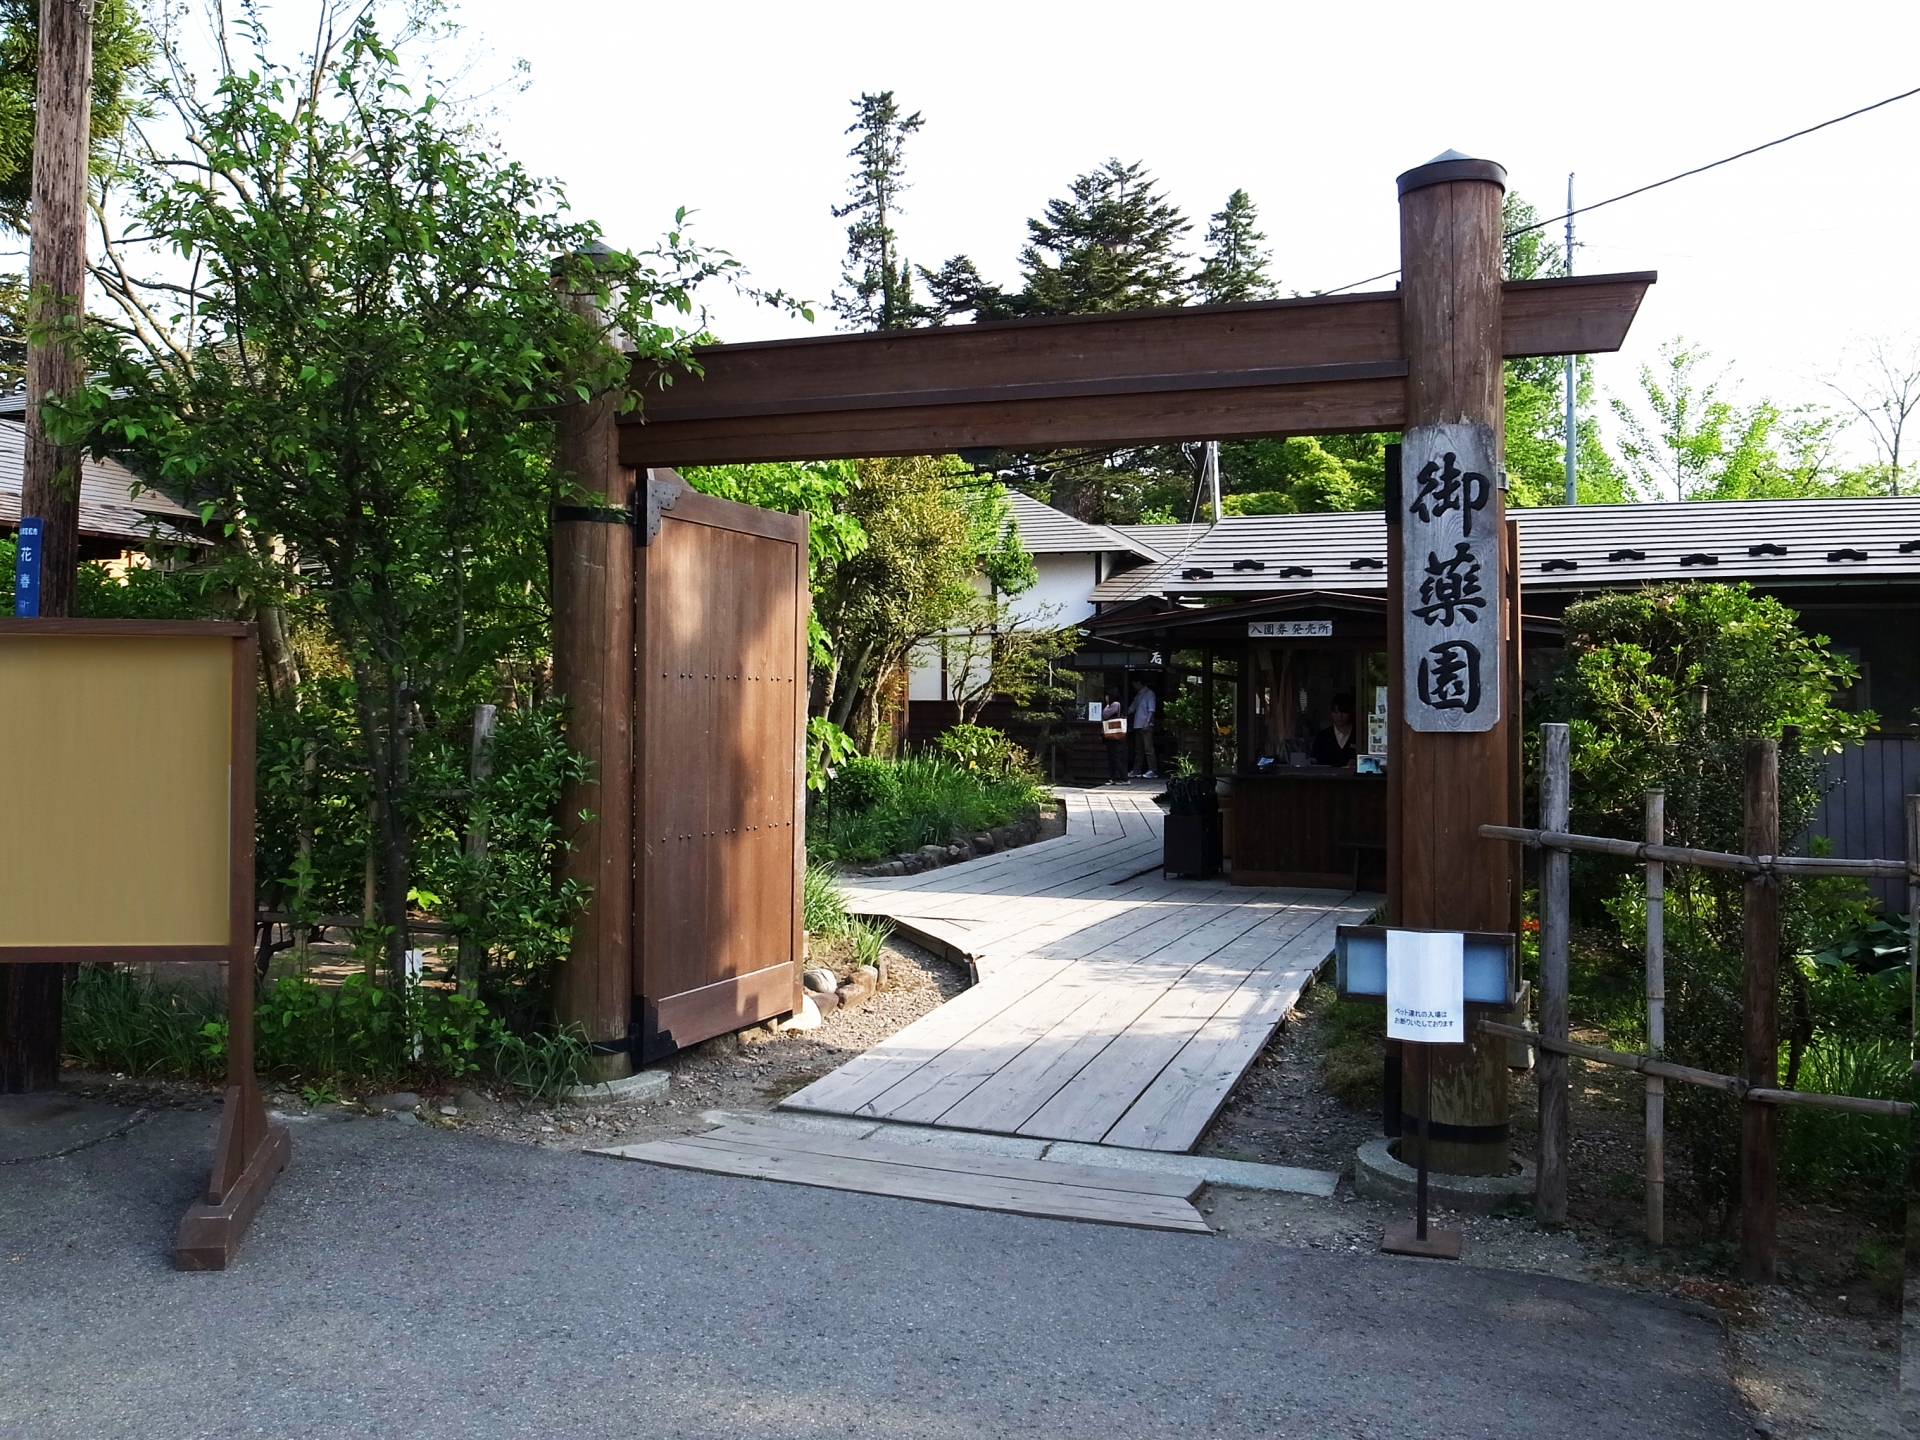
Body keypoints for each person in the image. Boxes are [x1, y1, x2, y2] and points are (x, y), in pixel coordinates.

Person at [1309, 692, 1359, 768]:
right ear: (1331, 713)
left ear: (1351, 712)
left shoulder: (1360, 735)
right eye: (1336, 712)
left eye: (1344, 712)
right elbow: (1314, 759)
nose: (1340, 716)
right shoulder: (1322, 736)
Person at [1128, 675, 1159, 778]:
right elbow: (1132, 708)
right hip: (1138, 724)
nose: (1133, 686)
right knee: (1139, 750)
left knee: (1148, 748)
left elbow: (1151, 709)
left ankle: (1152, 770)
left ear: (1138, 683)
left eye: (1134, 684)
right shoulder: (1138, 695)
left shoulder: (1149, 694)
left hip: (1146, 724)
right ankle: (1136, 770)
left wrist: (1148, 721)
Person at [1100, 690, 1127, 782]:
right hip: (1111, 736)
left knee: (1115, 757)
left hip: (1114, 736)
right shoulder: (1117, 704)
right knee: (1111, 757)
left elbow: (1105, 715)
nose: (1106, 698)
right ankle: (1112, 778)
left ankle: (1124, 778)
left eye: (1107, 696)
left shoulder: (1115, 704)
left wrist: (1107, 705)